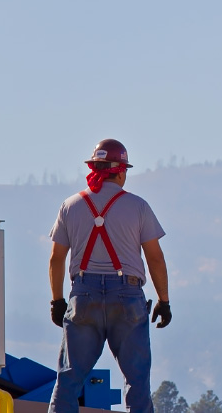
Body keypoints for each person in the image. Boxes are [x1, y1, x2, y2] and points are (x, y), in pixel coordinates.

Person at [47, 138, 172, 413]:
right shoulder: (138, 207)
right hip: (127, 297)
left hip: (83, 296)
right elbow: (155, 258)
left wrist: (57, 301)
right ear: (120, 171)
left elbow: (57, 258)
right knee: (137, 382)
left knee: (68, 380)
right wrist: (164, 300)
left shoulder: (70, 205)